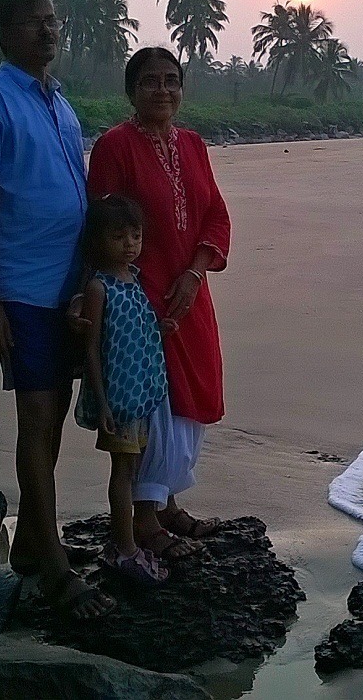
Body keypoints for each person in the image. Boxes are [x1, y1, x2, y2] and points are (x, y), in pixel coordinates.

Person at [0, 0, 113, 620]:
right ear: (4, 31)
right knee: (38, 417)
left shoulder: (62, 106)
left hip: (67, 289)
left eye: (53, 21)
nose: (48, 31)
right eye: (33, 22)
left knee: (53, 420)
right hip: (20, 288)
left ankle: (30, 542)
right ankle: (50, 564)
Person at [88, 47, 232, 563]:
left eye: (172, 81)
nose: (163, 91)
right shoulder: (114, 147)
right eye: (151, 82)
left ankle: (167, 502)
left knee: (188, 398)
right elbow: (101, 228)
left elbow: (214, 213)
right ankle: (144, 520)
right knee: (152, 403)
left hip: (190, 294)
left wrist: (196, 271)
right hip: (138, 303)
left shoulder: (193, 144)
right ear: (132, 90)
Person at [77, 194, 172, 586]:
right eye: (119, 237)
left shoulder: (135, 282)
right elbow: (93, 350)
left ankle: (127, 540)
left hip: (142, 395)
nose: (130, 244)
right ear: (99, 242)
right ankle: (124, 546)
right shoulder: (100, 288)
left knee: (132, 469)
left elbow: (138, 334)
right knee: (122, 472)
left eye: (135, 236)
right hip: (117, 399)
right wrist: (101, 403)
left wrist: (160, 330)